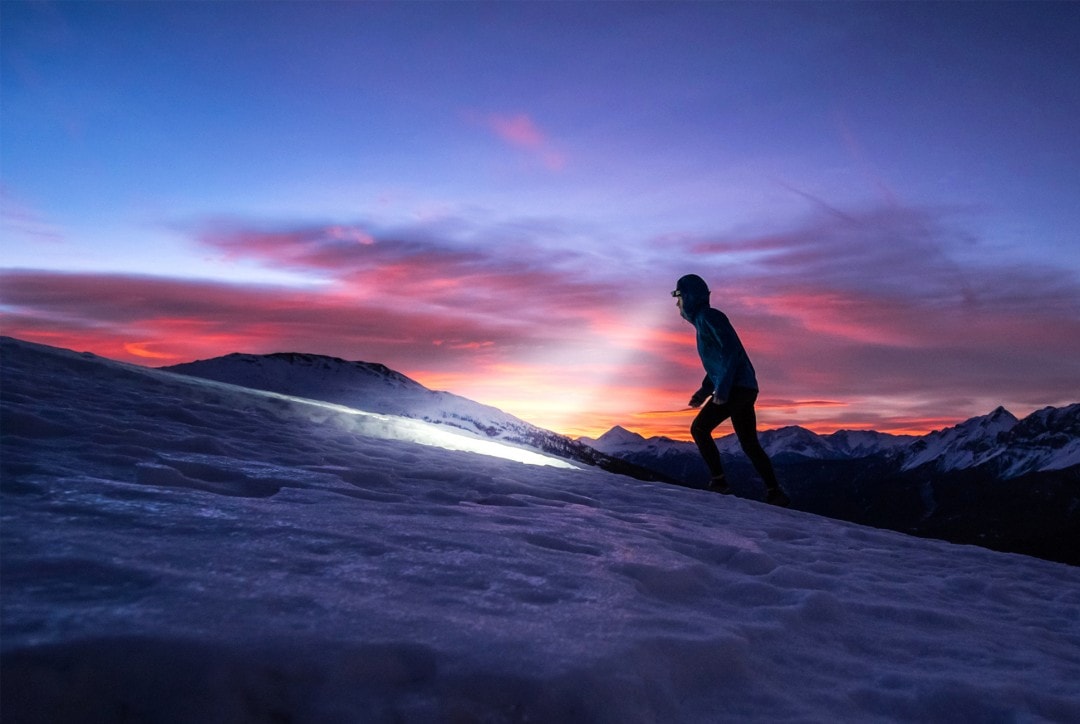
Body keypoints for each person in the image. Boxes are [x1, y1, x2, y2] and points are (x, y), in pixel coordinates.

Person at [672, 274, 790, 507]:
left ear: (689, 297)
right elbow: (718, 363)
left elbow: (730, 351)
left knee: (699, 428)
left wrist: (722, 390)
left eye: (679, 297)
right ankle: (775, 492)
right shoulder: (705, 320)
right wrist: (704, 391)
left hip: (736, 388)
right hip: (745, 388)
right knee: (749, 443)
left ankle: (719, 482)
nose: (677, 304)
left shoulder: (708, 317)